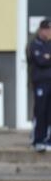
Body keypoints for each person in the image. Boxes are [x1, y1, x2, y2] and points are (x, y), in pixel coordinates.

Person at [27, 18, 51, 152]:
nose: (49, 32)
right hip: (40, 82)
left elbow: (46, 59)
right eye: (47, 29)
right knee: (40, 111)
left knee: (49, 112)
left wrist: (48, 57)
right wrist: (46, 57)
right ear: (41, 30)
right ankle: (38, 140)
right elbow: (41, 60)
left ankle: (49, 140)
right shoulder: (34, 44)